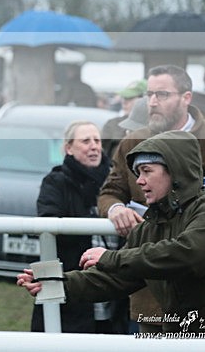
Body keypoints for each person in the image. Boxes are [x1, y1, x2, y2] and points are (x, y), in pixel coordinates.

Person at [18, 131, 205, 336]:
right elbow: (116, 279)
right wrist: (54, 283)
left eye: (147, 171)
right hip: (182, 341)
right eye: (138, 173)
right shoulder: (150, 227)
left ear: (175, 172)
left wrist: (110, 257)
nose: (139, 181)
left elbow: (187, 256)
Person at [97, 64, 205, 331]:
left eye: (162, 94)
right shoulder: (132, 142)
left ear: (186, 98)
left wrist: (177, 219)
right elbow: (110, 191)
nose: (153, 102)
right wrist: (115, 210)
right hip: (149, 289)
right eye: (149, 95)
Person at [31, 121, 126, 334]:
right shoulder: (55, 182)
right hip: (72, 293)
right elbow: (48, 222)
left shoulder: (118, 183)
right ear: (68, 148)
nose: (94, 146)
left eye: (97, 140)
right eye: (85, 141)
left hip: (114, 293)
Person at [101, 79, 146, 161]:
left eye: (130, 98)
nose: (124, 102)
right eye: (123, 98)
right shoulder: (112, 124)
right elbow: (103, 157)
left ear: (145, 99)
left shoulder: (157, 125)